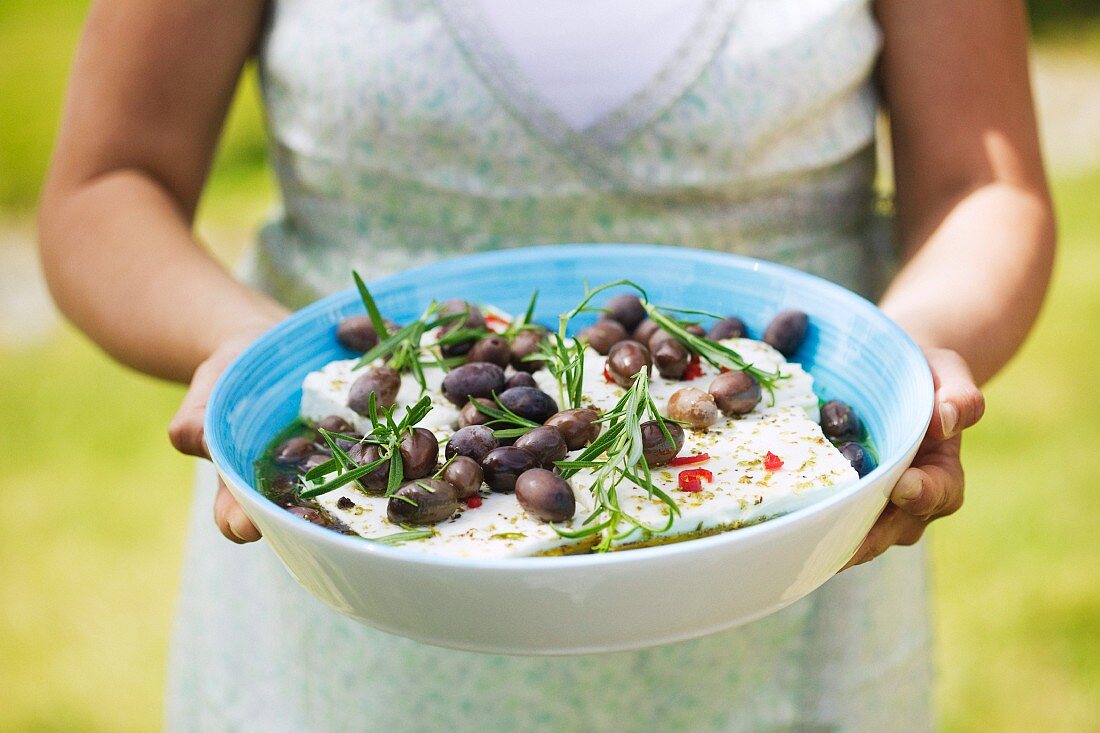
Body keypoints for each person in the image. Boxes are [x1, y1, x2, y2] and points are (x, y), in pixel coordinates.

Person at [38, 1, 1053, 730]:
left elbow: (981, 180)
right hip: (356, 586)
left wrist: (905, 355)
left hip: (792, 568)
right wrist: (249, 352)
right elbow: (105, 182)